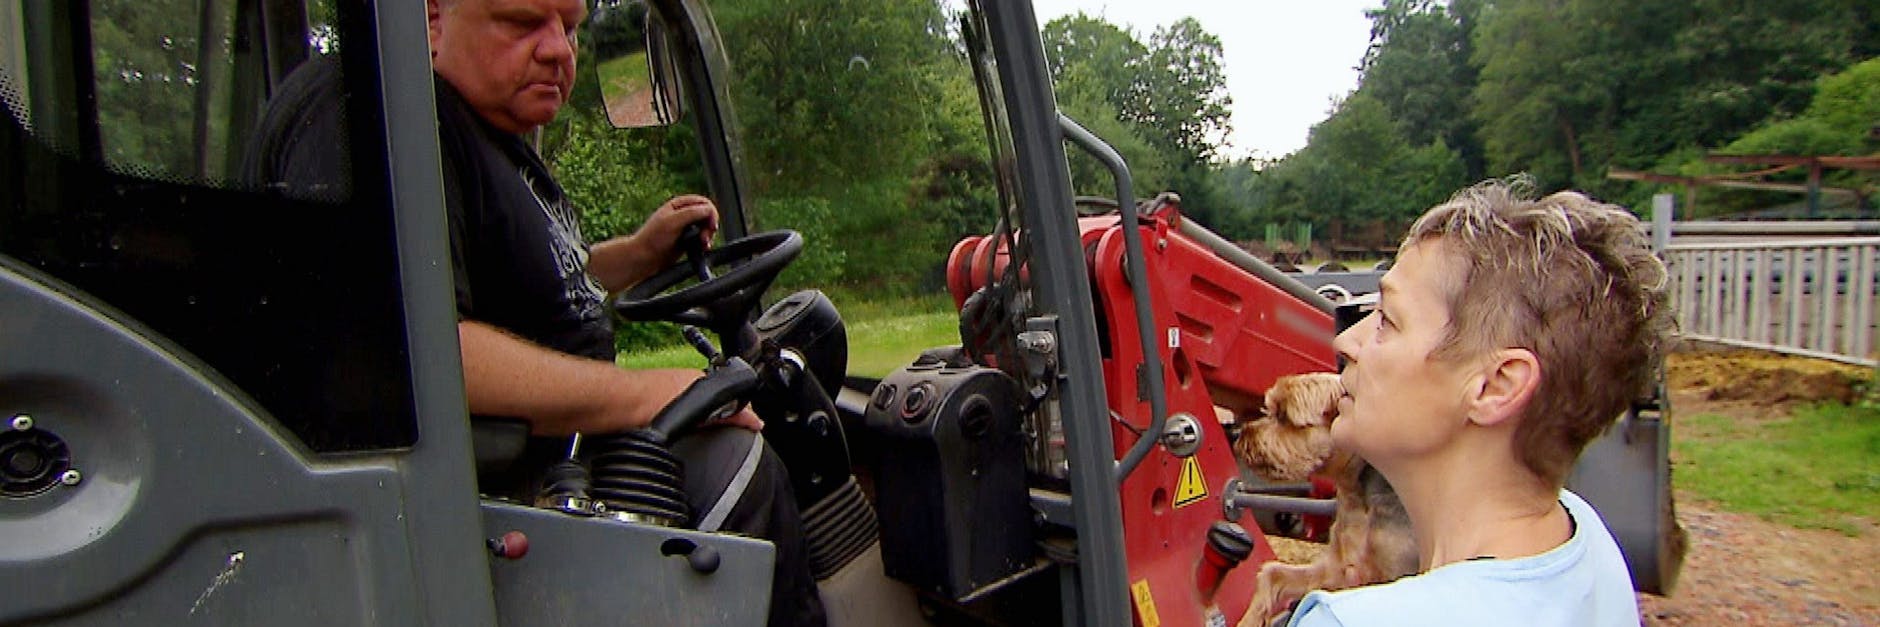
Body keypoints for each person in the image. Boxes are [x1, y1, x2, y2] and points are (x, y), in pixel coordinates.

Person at [245, 1, 825, 625]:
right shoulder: (367, 108)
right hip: (490, 502)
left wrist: (634, 255)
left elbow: (537, 294)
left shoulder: (487, 134)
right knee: (740, 469)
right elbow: (404, 348)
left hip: (554, 459)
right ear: (431, 18)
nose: (559, 51)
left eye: (570, 28)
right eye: (523, 24)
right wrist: (640, 396)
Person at [1277, 179, 1669, 626]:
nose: (1348, 340)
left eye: (1388, 321)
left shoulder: (1349, 621)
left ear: (1496, 386)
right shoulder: (1586, 542)